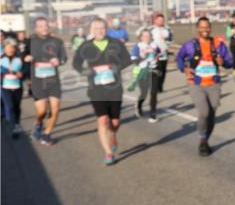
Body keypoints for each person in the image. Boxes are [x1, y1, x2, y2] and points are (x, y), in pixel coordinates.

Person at [72, 18, 132, 165]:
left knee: (115, 122)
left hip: (114, 87)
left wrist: (116, 68)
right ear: (91, 30)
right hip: (96, 89)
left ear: (106, 29)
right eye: (96, 28)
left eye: (102, 28)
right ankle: (109, 153)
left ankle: (112, 134)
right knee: (103, 120)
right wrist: (86, 71)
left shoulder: (115, 43)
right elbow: (76, 63)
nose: (99, 31)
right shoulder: (86, 46)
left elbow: (127, 59)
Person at [175, 16, 234, 157]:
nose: (205, 29)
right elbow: (179, 57)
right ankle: (202, 139)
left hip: (213, 84)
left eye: (207, 27)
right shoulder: (190, 45)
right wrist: (184, 69)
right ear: (197, 29)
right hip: (196, 84)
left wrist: (223, 62)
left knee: (212, 115)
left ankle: (205, 141)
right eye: (202, 27)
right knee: (204, 112)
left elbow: (230, 62)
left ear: (210, 28)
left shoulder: (218, 44)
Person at [24, 17, 67, 146]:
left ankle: (47, 134)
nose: (44, 28)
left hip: (53, 81)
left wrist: (59, 61)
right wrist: (26, 58)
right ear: (36, 28)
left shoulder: (57, 42)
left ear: (49, 26)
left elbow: (64, 58)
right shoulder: (30, 41)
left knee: (55, 109)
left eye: (46, 25)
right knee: (42, 111)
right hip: (37, 82)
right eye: (41, 26)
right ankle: (38, 123)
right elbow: (21, 55)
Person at [128, 28, 163, 120]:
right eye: (145, 36)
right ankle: (139, 105)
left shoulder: (154, 45)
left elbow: (160, 53)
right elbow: (134, 61)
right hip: (142, 71)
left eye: (148, 36)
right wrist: (143, 54)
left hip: (153, 70)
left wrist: (157, 57)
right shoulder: (138, 47)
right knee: (144, 93)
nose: (147, 38)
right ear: (141, 37)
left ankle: (153, 115)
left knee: (154, 93)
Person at [148, 13, 173, 120]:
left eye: (162, 20)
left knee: (162, 77)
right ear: (155, 21)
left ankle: (158, 88)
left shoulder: (167, 29)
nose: (161, 22)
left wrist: (167, 44)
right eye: (159, 20)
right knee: (154, 85)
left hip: (164, 56)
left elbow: (171, 39)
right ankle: (152, 111)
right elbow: (145, 41)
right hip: (154, 59)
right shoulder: (151, 30)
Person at [1, 38, 25, 138]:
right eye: (7, 48)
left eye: (12, 47)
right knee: (10, 107)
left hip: (17, 87)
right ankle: (13, 126)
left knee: (16, 107)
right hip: (6, 87)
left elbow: (26, 70)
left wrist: (22, 73)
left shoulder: (20, 58)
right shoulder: (1, 59)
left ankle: (16, 123)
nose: (10, 50)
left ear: (15, 48)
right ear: (5, 48)